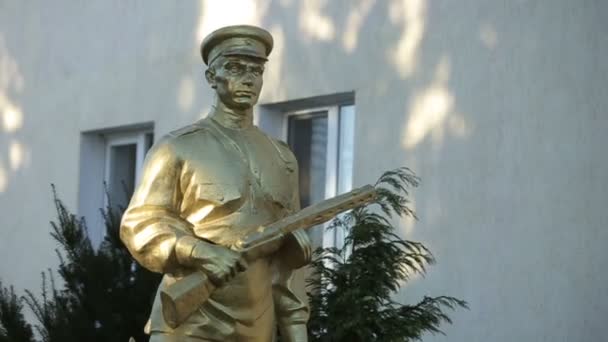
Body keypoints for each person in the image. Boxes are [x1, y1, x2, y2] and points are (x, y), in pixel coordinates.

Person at [120, 25, 311, 342]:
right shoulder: (177, 148)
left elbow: (287, 267)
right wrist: (198, 251)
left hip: (258, 326)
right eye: (234, 68)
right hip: (190, 322)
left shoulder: (282, 158)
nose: (248, 79)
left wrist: (296, 330)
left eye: (256, 70)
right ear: (212, 77)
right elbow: (139, 224)